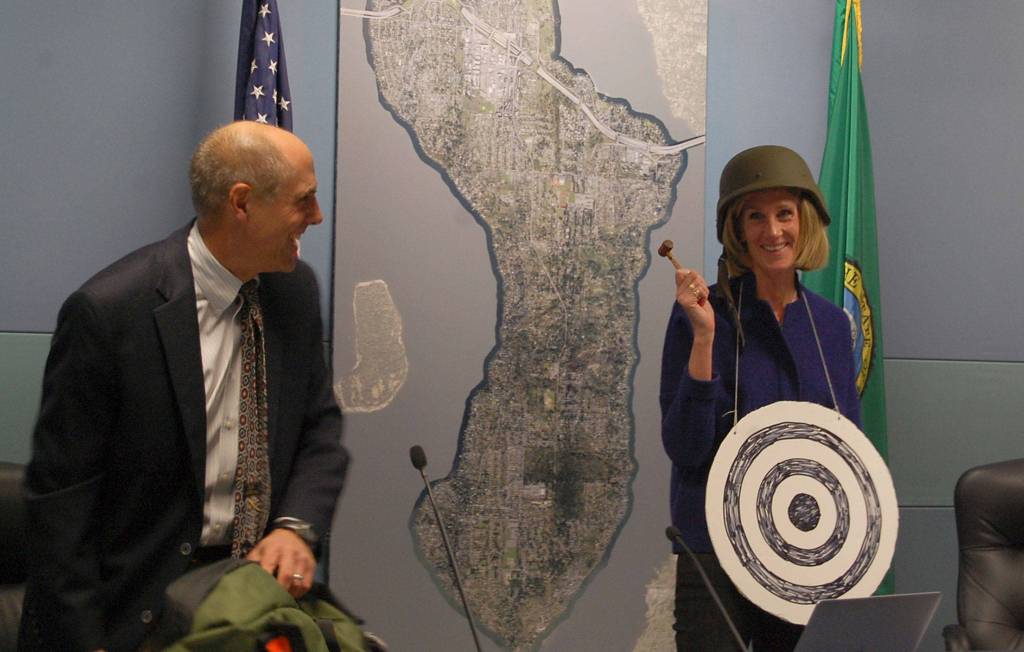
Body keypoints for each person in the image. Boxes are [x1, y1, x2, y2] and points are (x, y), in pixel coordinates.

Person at [19, 121, 348, 652]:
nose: (316, 216)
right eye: (302, 200)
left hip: (253, 604)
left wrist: (294, 528)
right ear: (242, 203)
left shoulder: (294, 292)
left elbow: (319, 429)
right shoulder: (110, 314)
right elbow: (61, 505)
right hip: (135, 613)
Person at [660, 145, 861, 651]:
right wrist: (705, 338)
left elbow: (848, 451)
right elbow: (685, 448)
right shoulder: (701, 313)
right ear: (737, 229)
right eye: (756, 216)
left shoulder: (831, 326)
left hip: (804, 549)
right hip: (715, 547)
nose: (773, 231)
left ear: (804, 220)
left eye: (784, 213)